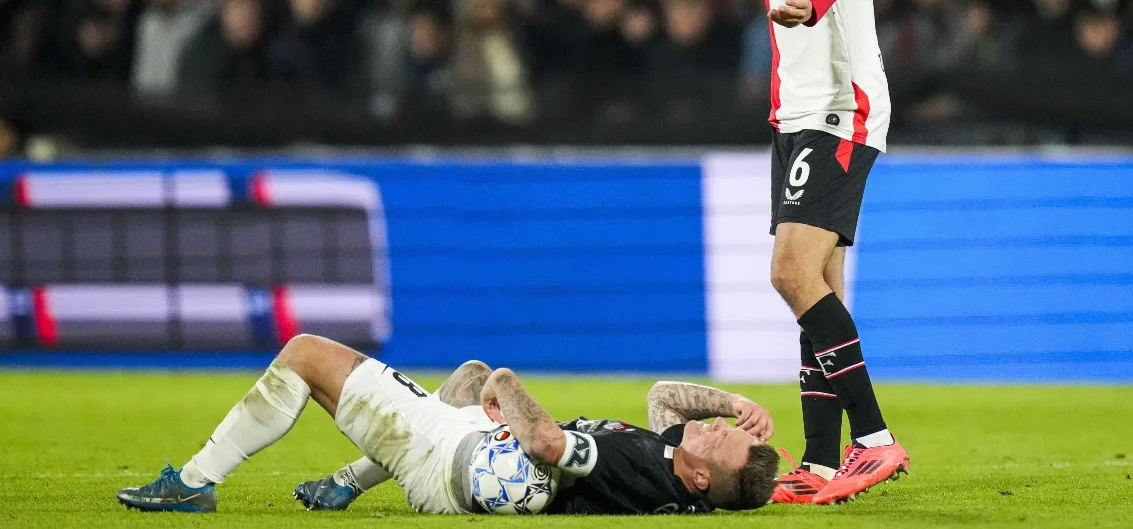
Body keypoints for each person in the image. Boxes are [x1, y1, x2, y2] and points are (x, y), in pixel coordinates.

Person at [586, 0, 909, 505]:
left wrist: (809, 2)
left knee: (789, 274)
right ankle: (823, 463)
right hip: (795, 114)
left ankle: (875, 441)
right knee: (817, 288)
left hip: (839, 109)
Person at [115, 334, 780, 515]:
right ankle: (350, 478)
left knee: (303, 356)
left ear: (700, 478)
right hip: (462, 453)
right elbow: (665, 399)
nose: (719, 432)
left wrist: (506, 389)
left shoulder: (635, 469)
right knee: (466, 374)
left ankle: (196, 482)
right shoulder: (671, 464)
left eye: (722, 445)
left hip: (450, 459)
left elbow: (547, 443)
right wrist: (730, 407)